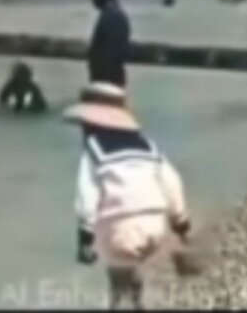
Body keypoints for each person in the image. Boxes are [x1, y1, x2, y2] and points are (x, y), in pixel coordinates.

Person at [67, 82, 192, 310]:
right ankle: (139, 301)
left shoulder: (95, 150)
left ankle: (124, 304)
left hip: (122, 226)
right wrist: (181, 223)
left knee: (118, 277)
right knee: (133, 268)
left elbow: (88, 196)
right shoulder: (147, 146)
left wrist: (84, 238)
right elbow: (173, 183)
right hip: (156, 224)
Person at [88, 0, 131, 88]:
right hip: (109, 80)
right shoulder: (113, 15)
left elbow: (111, 54)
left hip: (107, 81)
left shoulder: (112, 17)